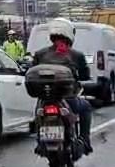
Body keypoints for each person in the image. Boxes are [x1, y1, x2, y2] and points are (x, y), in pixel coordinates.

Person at [32, 18, 93, 153]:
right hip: (68, 98)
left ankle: (39, 142)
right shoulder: (76, 55)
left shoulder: (40, 54)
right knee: (86, 107)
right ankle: (85, 140)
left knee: (37, 114)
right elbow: (84, 75)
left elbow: (32, 72)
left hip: (45, 100)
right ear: (69, 34)